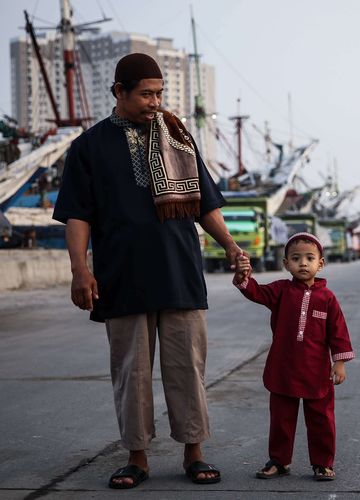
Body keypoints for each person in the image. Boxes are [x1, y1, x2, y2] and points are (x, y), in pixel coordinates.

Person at [52, 53, 245, 489]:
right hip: (123, 275)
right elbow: (78, 216)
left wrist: (232, 246)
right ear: (119, 92)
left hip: (180, 273)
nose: (155, 102)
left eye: (159, 93)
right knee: (131, 371)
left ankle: (194, 452)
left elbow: (205, 206)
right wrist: (80, 270)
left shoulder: (179, 136)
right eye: (146, 94)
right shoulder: (89, 147)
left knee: (187, 368)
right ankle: (136, 458)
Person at [232, 232, 355, 481]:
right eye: (296, 258)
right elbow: (255, 292)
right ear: (286, 264)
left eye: (310, 258)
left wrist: (338, 363)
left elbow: (338, 333)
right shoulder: (280, 291)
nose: (303, 263)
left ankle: (322, 463)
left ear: (320, 263)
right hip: (283, 368)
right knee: (281, 419)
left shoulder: (327, 298)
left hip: (317, 372)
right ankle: (279, 461)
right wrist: (244, 277)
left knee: (321, 420)